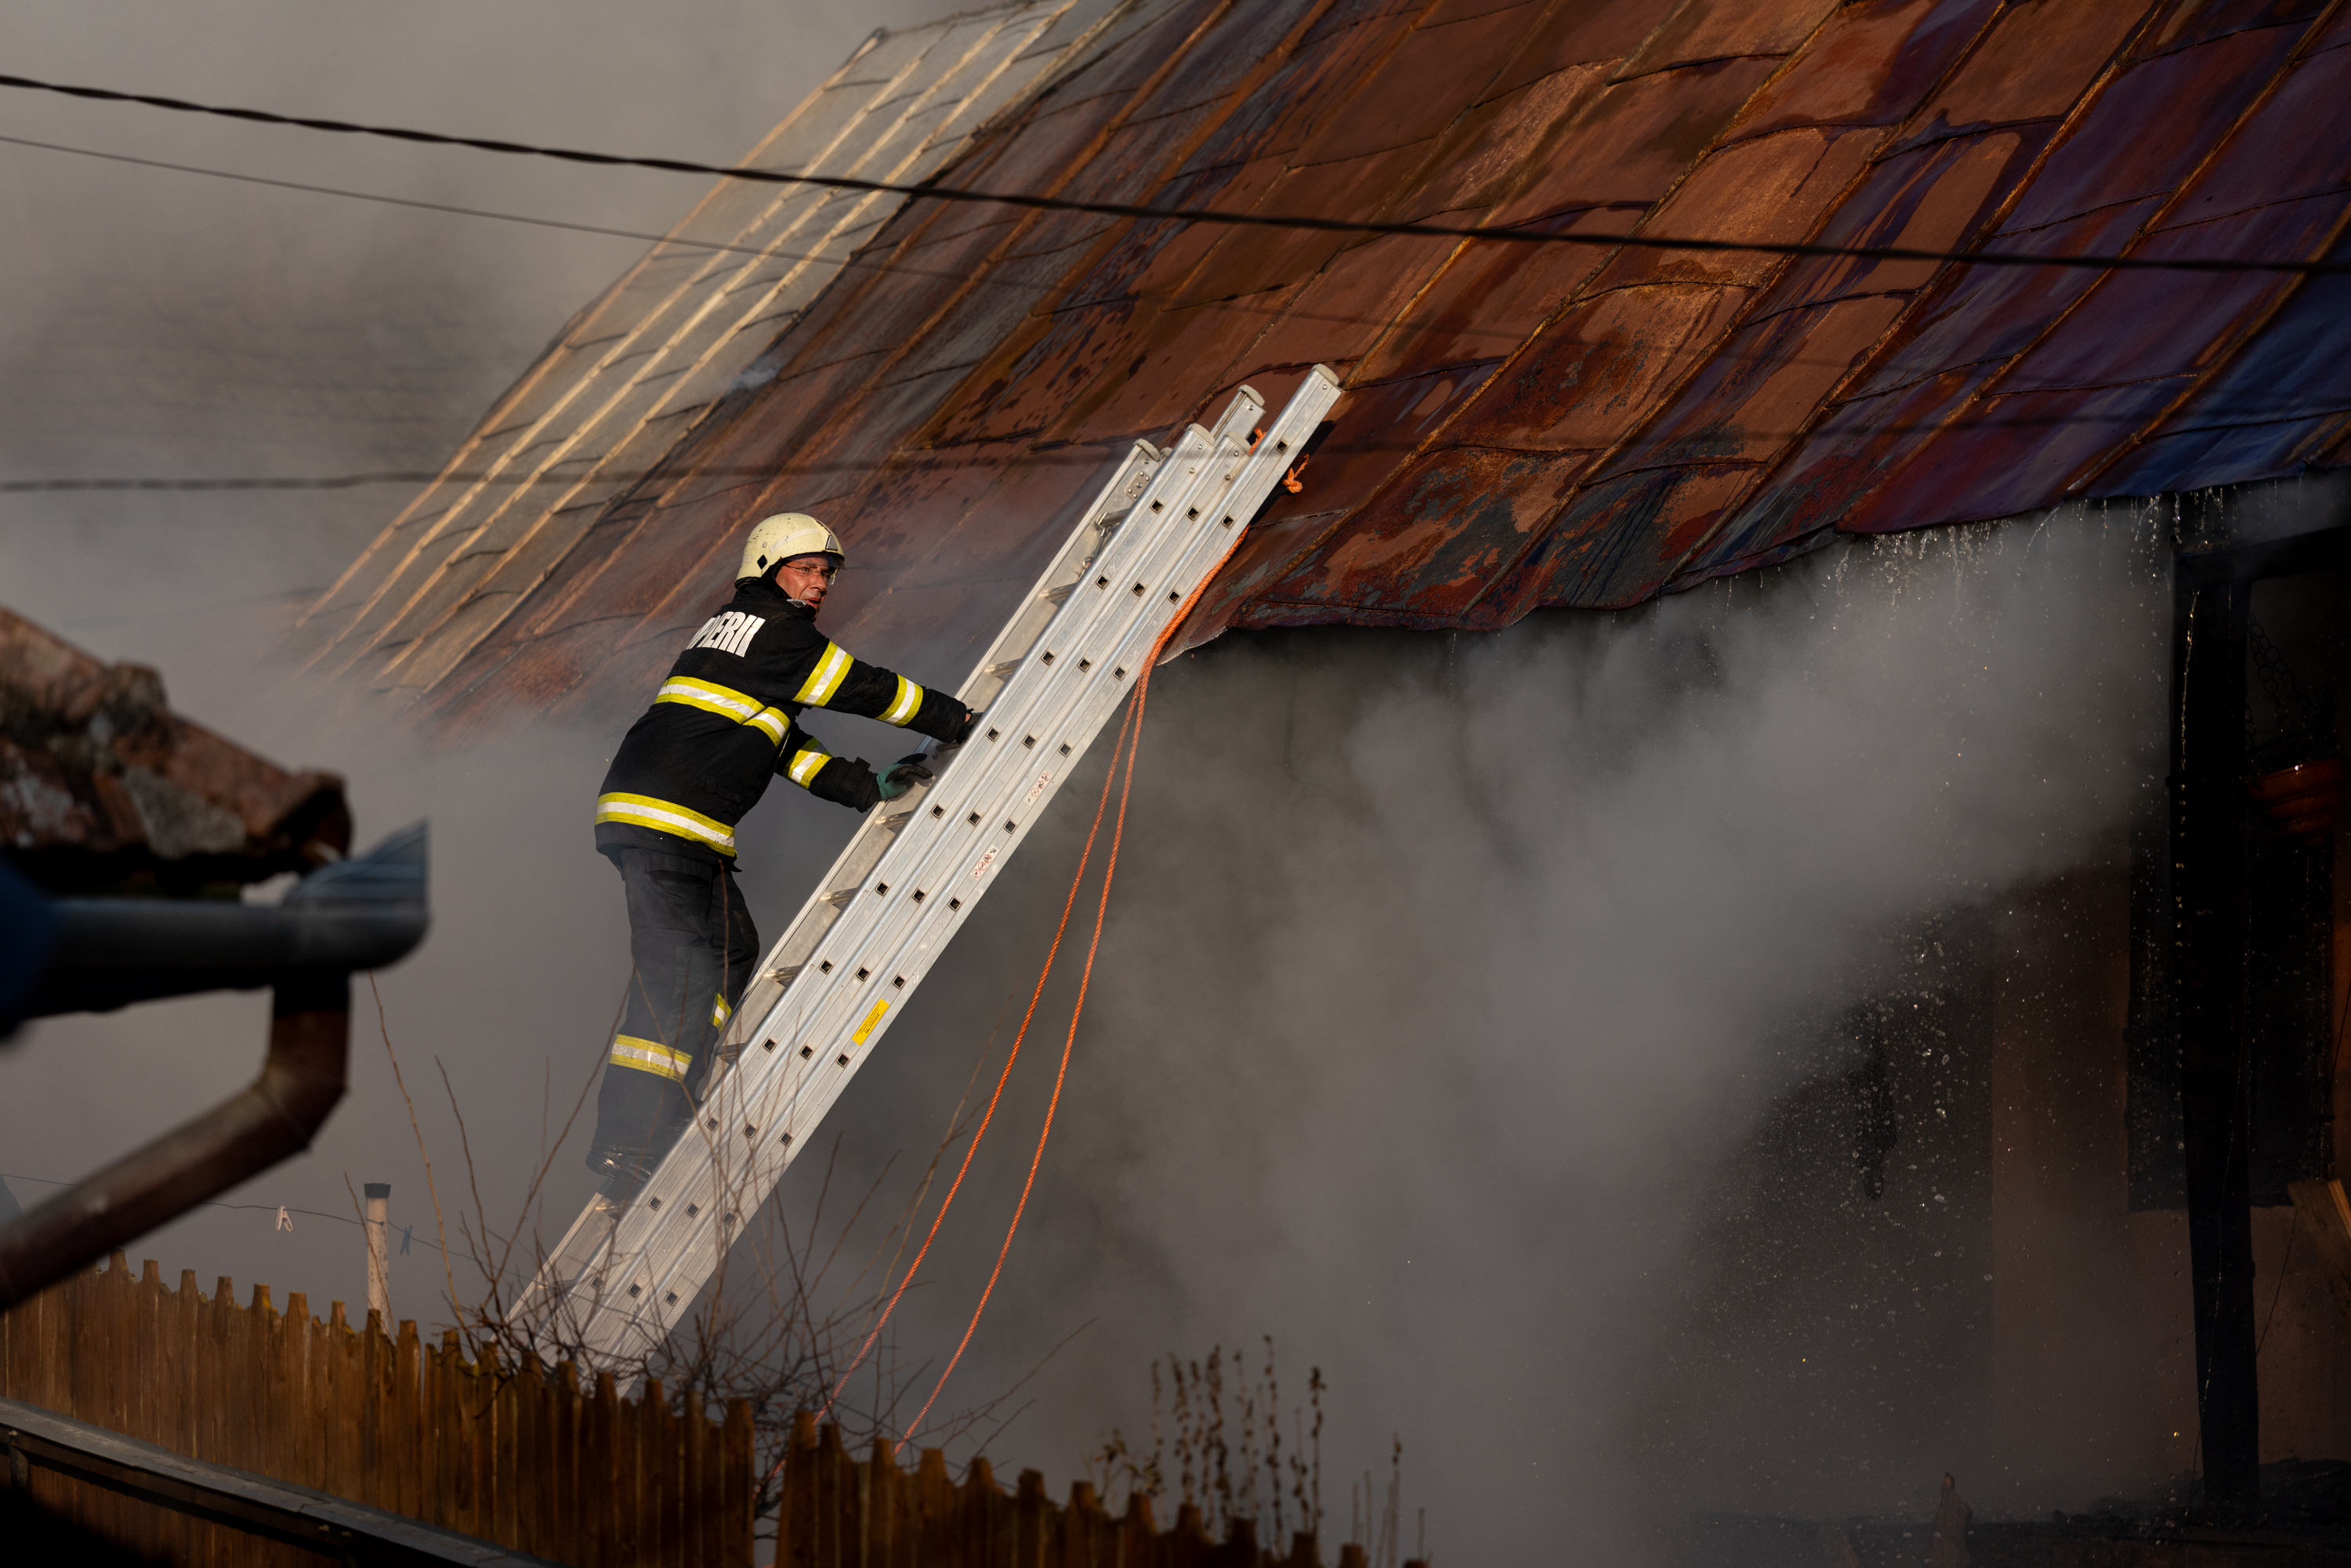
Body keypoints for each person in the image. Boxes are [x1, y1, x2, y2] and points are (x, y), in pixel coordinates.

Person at [585, 512, 977, 1189]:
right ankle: (629, 1140)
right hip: (666, 821)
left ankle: (670, 1102)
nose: (820, 584)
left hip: (674, 824)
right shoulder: (775, 630)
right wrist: (959, 719)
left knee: (730, 951)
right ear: (766, 570)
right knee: (676, 976)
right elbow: (866, 687)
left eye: (827, 573)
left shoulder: (737, 633)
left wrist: (866, 786)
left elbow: (784, 747)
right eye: (806, 570)